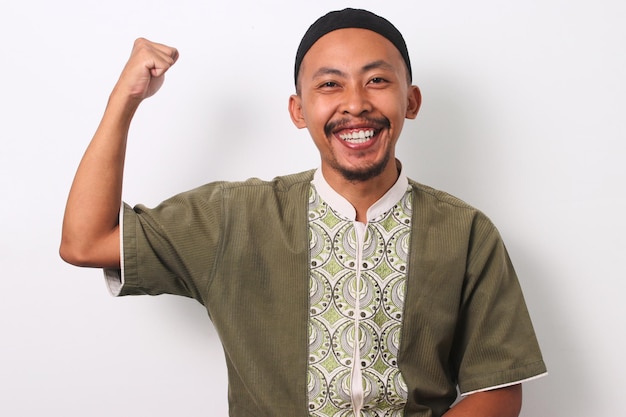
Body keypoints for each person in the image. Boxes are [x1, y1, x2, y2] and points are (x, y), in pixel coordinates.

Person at [60, 8, 546, 417]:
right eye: (330, 84)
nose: (355, 104)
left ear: (410, 101)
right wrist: (123, 101)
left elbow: (497, 386)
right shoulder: (234, 218)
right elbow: (85, 242)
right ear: (298, 110)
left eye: (377, 80)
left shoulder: (465, 232)